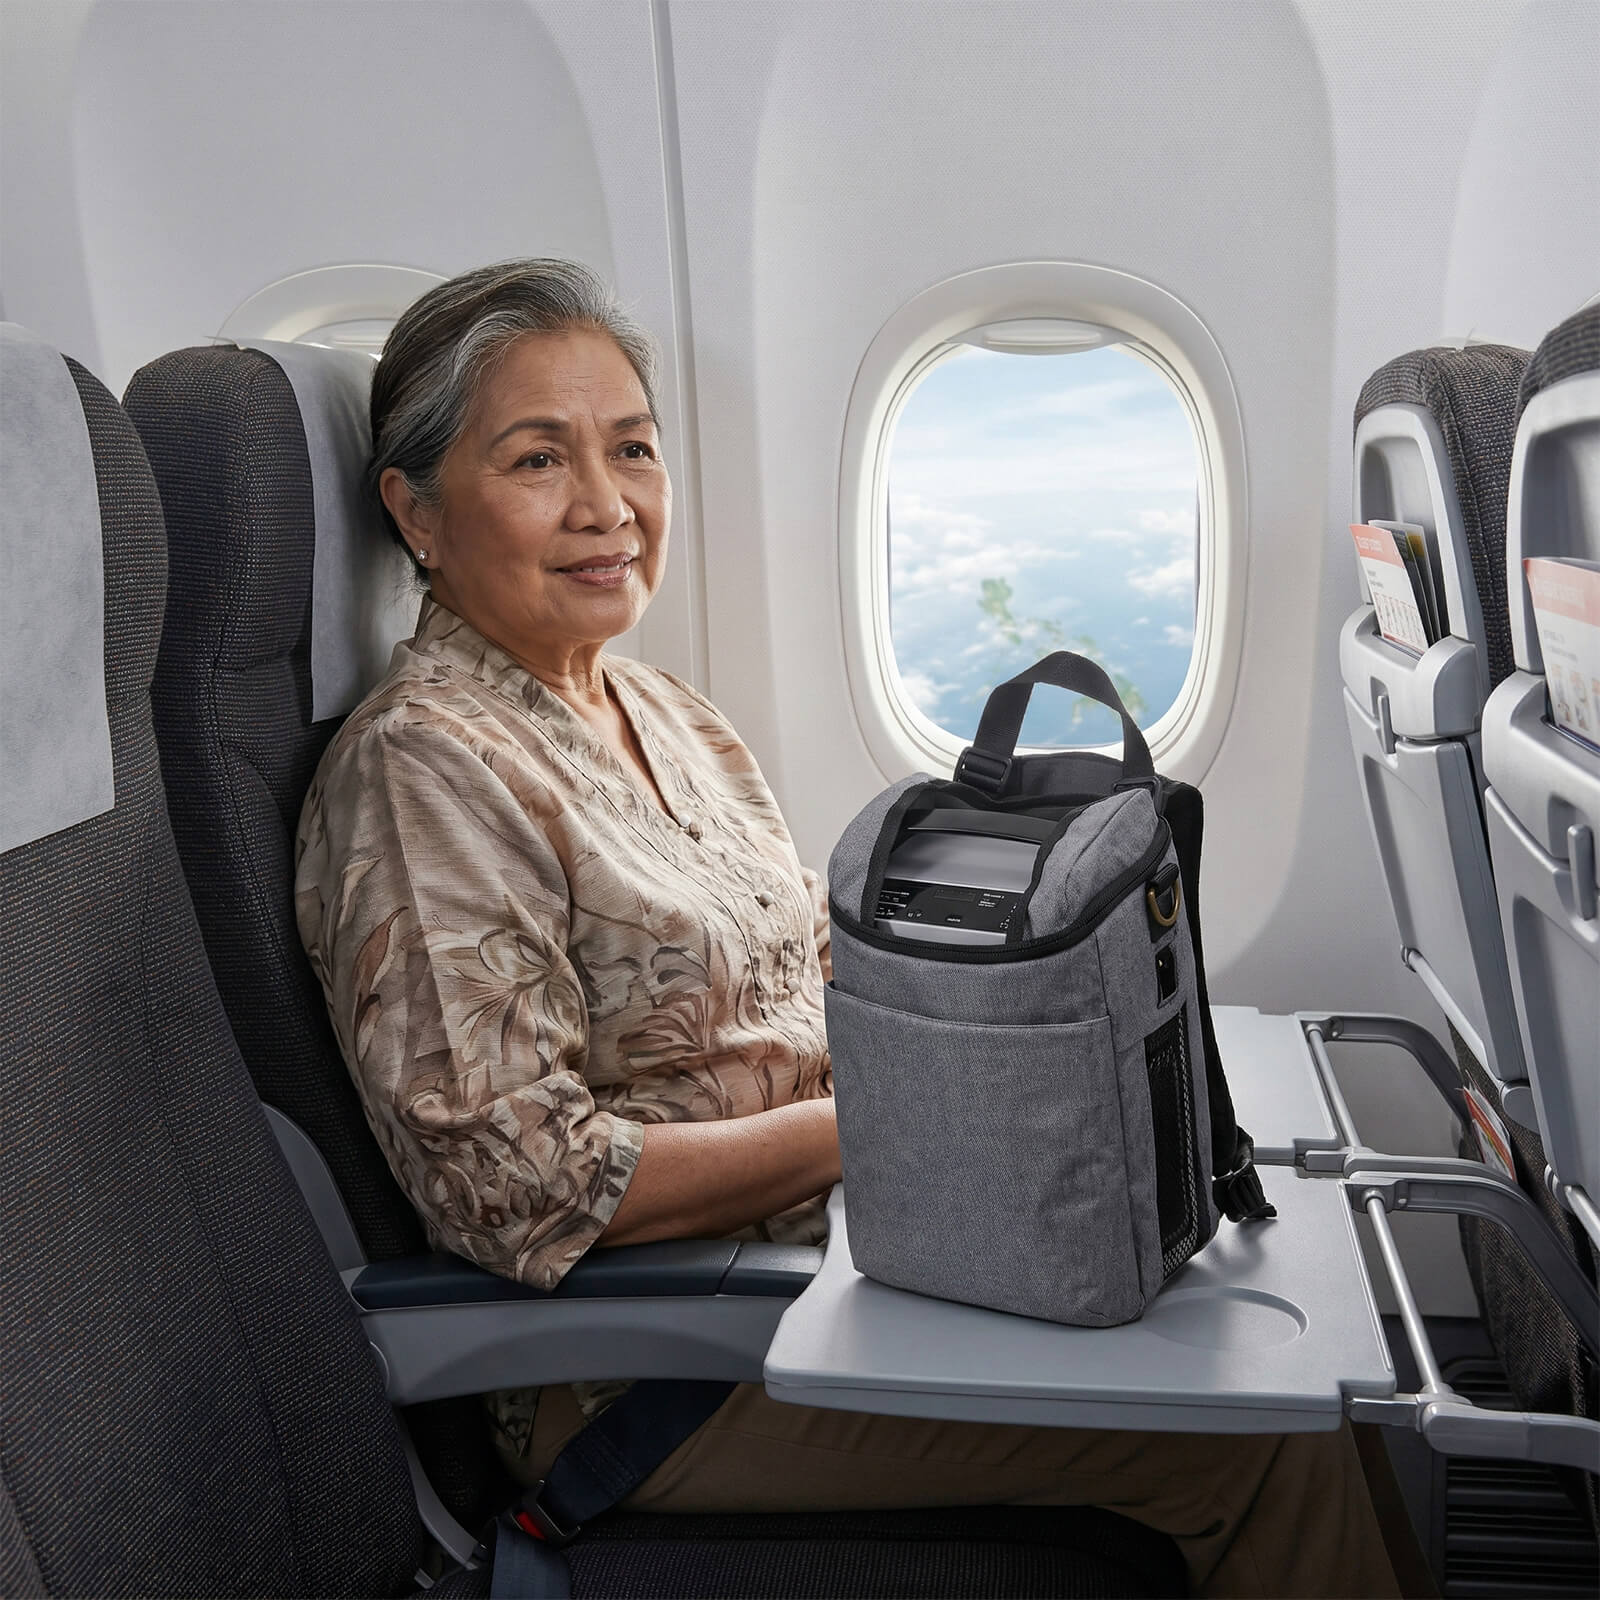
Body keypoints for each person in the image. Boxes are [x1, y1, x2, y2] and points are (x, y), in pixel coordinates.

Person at [296, 258, 1404, 1599]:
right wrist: (895, 1131)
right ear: (414, 513)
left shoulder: (667, 715)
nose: (608, 505)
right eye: (538, 460)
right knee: (1262, 1443)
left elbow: (817, 984)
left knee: (1263, 1326)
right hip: (664, 1358)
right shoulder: (426, 768)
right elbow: (521, 1188)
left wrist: (1022, 1071)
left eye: (633, 450)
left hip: (847, 1263)